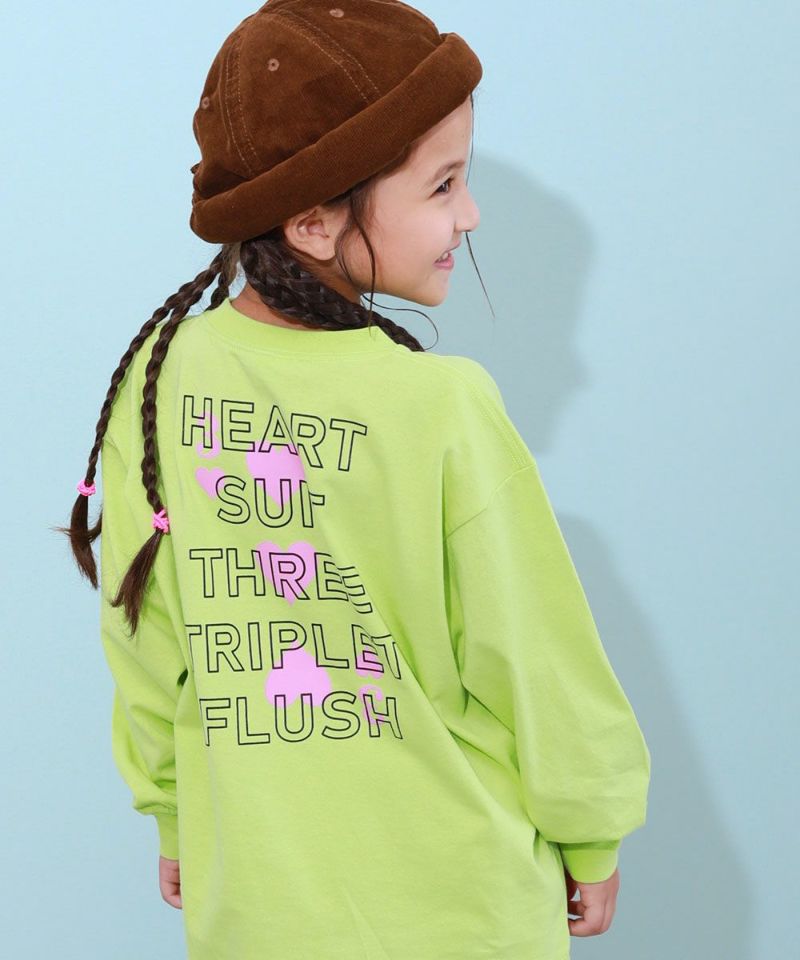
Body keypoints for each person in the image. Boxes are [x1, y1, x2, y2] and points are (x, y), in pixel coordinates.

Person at [59, 2, 651, 958]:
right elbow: (534, 652)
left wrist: (172, 808)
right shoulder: (442, 404)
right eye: (444, 184)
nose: (470, 214)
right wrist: (592, 829)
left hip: (258, 907)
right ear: (313, 221)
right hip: (463, 912)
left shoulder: (162, 382)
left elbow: (144, 630)